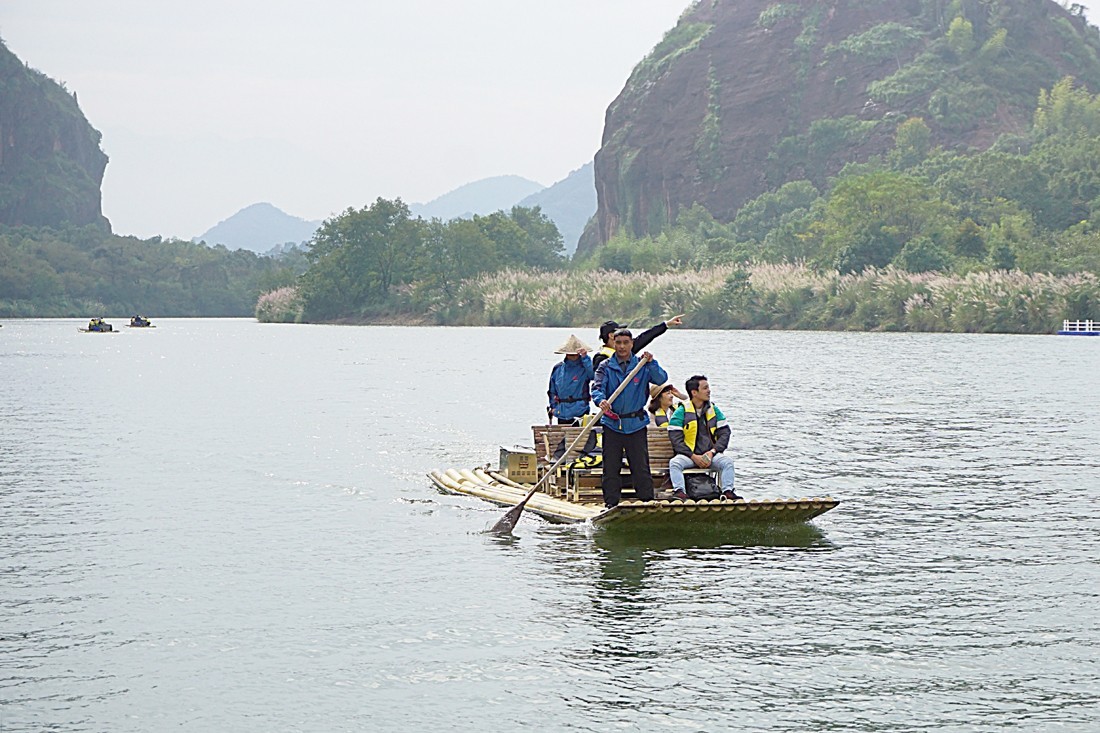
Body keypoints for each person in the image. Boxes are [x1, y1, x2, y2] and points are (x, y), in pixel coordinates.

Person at [591, 328, 669, 507]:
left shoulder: (641, 364)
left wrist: (651, 363)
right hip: (612, 423)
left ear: (632, 344)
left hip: (636, 424)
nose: (622, 347)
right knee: (611, 468)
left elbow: (661, 378)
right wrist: (601, 400)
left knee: (640, 467)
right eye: (618, 343)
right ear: (613, 344)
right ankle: (610, 504)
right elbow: (596, 388)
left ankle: (647, 502)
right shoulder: (605, 366)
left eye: (626, 343)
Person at [667, 374, 739, 501]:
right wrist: (693, 456)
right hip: (689, 455)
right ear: (694, 392)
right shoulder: (681, 411)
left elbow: (725, 434)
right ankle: (680, 493)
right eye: (705, 388)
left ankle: (727, 492)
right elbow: (676, 440)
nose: (709, 391)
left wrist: (712, 452)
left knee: (727, 462)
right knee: (675, 463)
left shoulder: (714, 410)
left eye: (708, 387)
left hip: (710, 455)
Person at [591, 314, 684, 371]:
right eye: (618, 331)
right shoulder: (601, 357)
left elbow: (646, 336)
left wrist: (666, 324)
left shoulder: (627, 349)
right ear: (611, 336)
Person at [547, 334, 594, 426]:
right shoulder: (558, 368)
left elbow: (593, 376)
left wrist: (585, 358)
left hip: (580, 411)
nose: (572, 356)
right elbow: (552, 391)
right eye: (570, 353)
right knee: (563, 440)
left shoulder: (584, 367)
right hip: (562, 412)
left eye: (575, 354)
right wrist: (554, 407)